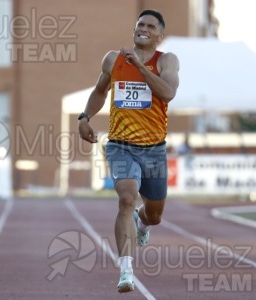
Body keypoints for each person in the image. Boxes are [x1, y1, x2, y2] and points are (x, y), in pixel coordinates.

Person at [78, 10, 179, 293]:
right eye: (139, 25)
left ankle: (142, 223)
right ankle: (126, 270)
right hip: (121, 146)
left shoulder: (167, 61)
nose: (143, 29)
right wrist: (84, 118)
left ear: (159, 35)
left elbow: (168, 93)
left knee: (155, 214)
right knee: (126, 198)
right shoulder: (114, 59)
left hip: (154, 150)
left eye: (150, 26)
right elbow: (100, 91)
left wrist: (142, 68)